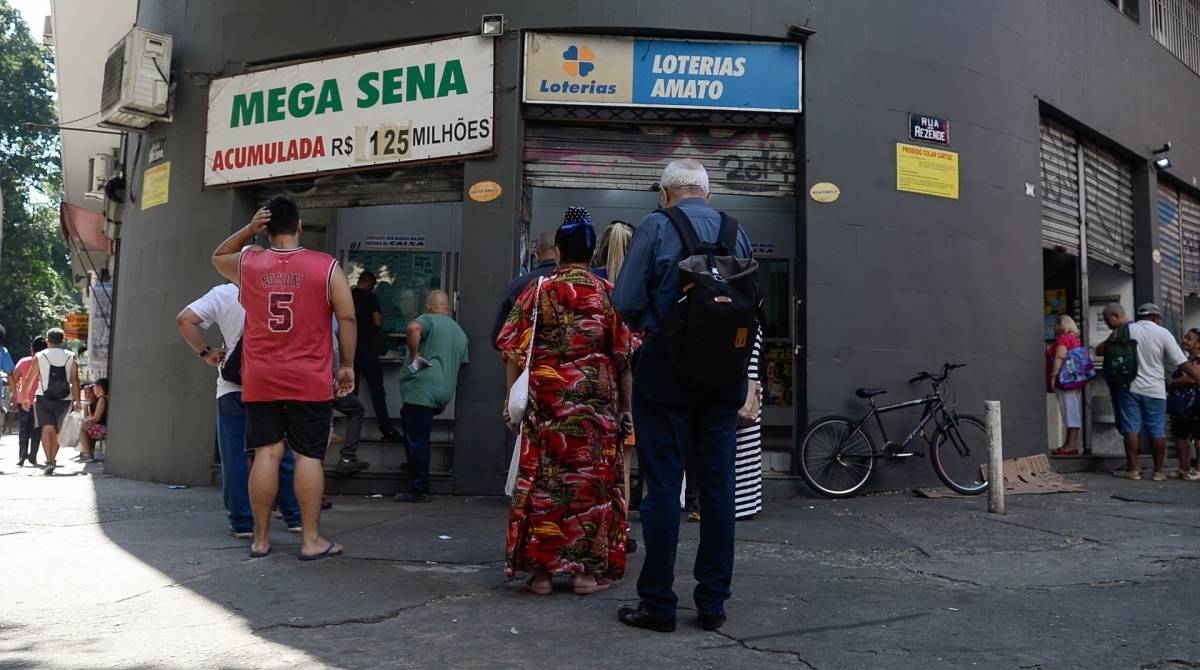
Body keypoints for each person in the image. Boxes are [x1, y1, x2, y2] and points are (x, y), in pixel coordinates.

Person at [612, 158, 753, 633]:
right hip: (723, 379)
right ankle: (712, 602)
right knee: (718, 489)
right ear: (707, 193)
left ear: (665, 193)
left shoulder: (655, 225)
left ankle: (658, 603)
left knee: (662, 488)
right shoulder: (737, 231)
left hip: (665, 375)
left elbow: (626, 303)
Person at [497, 207, 634, 595]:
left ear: (557, 251)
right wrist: (626, 411)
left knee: (544, 485)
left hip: (547, 406)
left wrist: (511, 401)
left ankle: (541, 575)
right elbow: (624, 360)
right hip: (596, 414)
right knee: (591, 489)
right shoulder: (610, 295)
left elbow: (512, 350)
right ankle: (586, 575)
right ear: (592, 255)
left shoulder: (536, 292)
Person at [212, 195, 357, 560]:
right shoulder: (326, 266)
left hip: (261, 376)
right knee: (308, 456)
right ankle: (310, 541)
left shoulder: (250, 262)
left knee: (266, 454)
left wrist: (248, 230)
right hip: (309, 376)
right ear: (299, 226)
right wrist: (347, 365)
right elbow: (348, 318)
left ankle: (260, 540)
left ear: (266, 227)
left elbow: (217, 257)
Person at [177, 283, 304, 538]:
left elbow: (184, 320)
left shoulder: (224, 293)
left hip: (233, 386)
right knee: (282, 453)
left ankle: (243, 522)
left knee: (235, 456)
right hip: (273, 384)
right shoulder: (282, 288)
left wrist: (206, 353)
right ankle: (294, 516)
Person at [1098, 303, 1200, 481]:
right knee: (1156, 430)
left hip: (1129, 387)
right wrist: (1197, 377)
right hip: (1156, 390)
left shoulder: (1125, 330)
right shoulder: (1162, 332)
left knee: (1131, 428)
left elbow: (1102, 349)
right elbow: (1180, 361)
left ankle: (1133, 470)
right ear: (1156, 318)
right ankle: (1158, 472)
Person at [395, 290, 469, 503]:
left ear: (429, 306)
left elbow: (412, 328)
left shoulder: (427, 320)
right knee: (411, 424)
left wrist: (414, 355)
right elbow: (462, 363)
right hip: (443, 391)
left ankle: (420, 487)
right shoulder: (459, 332)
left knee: (418, 439)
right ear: (448, 307)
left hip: (421, 389)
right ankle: (414, 464)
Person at [19, 328, 81, 476]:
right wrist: (78, 400)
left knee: (46, 429)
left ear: (47, 340)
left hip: (43, 397)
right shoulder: (71, 356)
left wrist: (26, 397)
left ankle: (48, 461)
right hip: (64, 399)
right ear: (62, 341)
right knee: (58, 431)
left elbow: (29, 377)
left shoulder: (40, 356)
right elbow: (74, 379)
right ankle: (53, 459)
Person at [352, 271, 403, 443]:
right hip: (368, 350)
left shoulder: (348, 295)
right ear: (371, 283)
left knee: (352, 394)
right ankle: (386, 429)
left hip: (350, 350)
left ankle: (351, 434)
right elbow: (377, 321)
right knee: (377, 392)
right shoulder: (371, 297)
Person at [491, 232, 558, 349]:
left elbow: (498, 337)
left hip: (526, 362)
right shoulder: (578, 285)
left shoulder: (516, 286)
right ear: (560, 253)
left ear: (537, 255)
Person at [332, 316, 369, 474]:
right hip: (323, 381)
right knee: (356, 410)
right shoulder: (331, 315)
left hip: (294, 380)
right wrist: (344, 368)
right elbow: (334, 347)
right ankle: (347, 457)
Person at [734, 329, 765, 519]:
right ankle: (750, 503)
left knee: (740, 449)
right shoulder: (754, 324)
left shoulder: (743, 323)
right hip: (752, 389)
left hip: (743, 387)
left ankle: (740, 505)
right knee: (749, 451)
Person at [1047, 315, 1084, 456]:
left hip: (1065, 380)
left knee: (1069, 411)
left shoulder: (1063, 338)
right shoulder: (1074, 338)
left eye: (1056, 323)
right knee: (1073, 410)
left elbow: (1060, 356)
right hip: (1074, 380)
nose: (1054, 327)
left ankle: (1070, 445)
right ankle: (1069, 444)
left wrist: (1053, 376)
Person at [1166, 328, 1200, 481]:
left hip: (1196, 403)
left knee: (1198, 436)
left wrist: (1172, 382)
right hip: (1181, 405)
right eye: (1185, 337)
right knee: (1180, 435)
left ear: (1198, 344)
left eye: (1190, 338)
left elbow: (1193, 378)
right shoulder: (1185, 361)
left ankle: (1199, 470)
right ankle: (1183, 467)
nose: (1185, 340)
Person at [11, 336, 47, 467]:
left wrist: (15, 394)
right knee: (37, 428)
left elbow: (14, 378)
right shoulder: (45, 362)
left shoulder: (23, 361)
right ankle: (33, 456)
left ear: (32, 349)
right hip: (40, 400)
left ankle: (22, 454)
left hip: (23, 399)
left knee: (24, 427)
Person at [77, 379, 108, 463]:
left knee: (81, 427)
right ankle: (88, 452)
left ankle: (87, 454)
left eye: (95, 387)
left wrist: (84, 420)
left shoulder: (102, 400)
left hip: (103, 428)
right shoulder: (99, 400)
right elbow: (89, 416)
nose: (93, 389)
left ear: (100, 387)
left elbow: (96, 418)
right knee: (85, 425)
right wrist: (86, 405)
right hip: (102, 427)